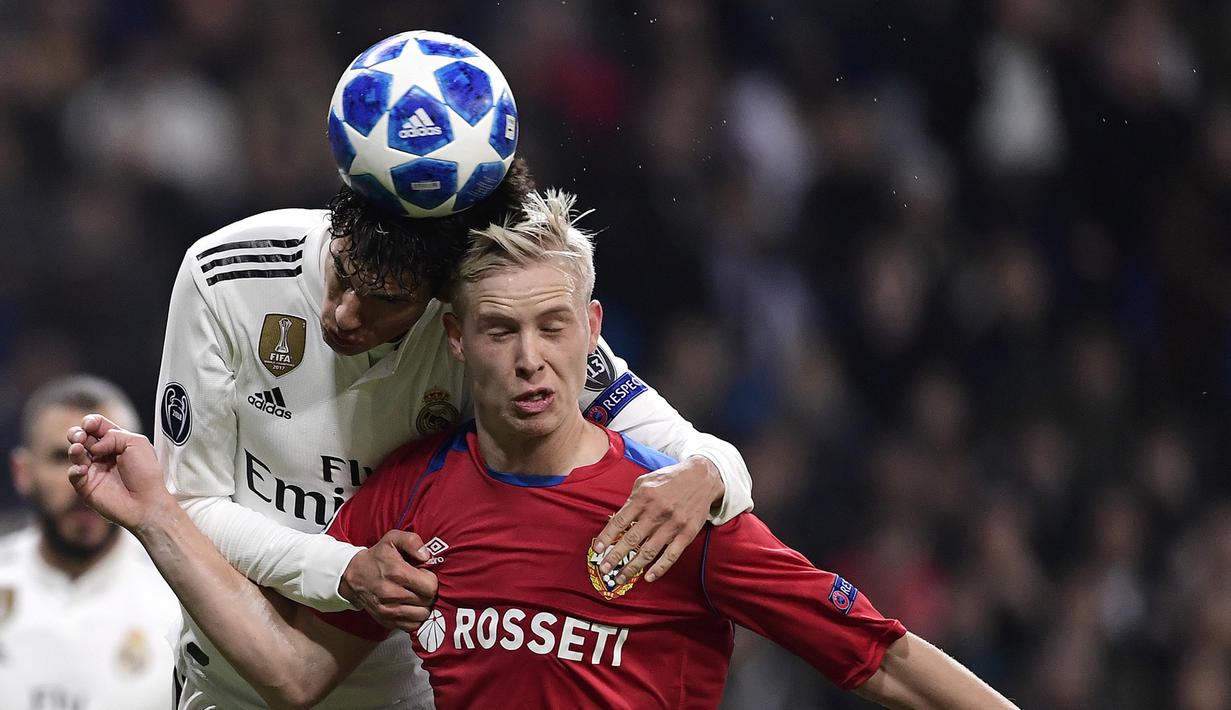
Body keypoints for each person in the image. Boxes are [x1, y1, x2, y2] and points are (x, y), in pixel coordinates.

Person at [70, 190, 1017, 709]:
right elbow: (287, 675)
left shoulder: (672, 509)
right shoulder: (408, 500)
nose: (529, 360)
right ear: (454, 338)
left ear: (590, 332)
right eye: (499, 330)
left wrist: (714, 471)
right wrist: (155, 513)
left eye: (553, 327)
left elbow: (882, 659)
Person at [149, 127, 751, 706]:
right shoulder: (225, 275)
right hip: (226, 686)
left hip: (405, 693)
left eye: (387, 301)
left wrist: (710, 474)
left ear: (445, 306)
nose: (344, 315)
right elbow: (187, 505)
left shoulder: (494, 327)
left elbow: (690, 447)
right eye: (342, 277)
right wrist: (343, 568)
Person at [1, 375, 181, 710]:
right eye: (61, 457)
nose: (83, 478)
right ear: (22, 472)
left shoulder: (181, 600)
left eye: (105, 458)